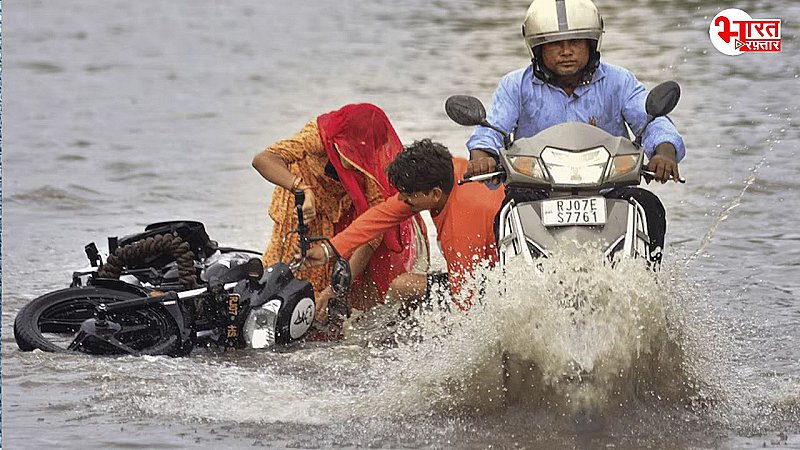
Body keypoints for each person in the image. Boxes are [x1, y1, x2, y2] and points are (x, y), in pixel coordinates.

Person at [465, 0, 686, 262]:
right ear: (537, 48)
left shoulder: (619, 81)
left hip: (607, 189)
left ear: (592, 45)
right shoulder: (515, 85)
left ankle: (648, 287)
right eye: (555, 44)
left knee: (649, 207)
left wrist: (664, 153)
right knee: (507, 211)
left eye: (575, 43)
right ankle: (510, 282)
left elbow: (652, 121)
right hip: (537, 190)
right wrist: (481, 155)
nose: (566, 51)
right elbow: (492, 128)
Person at [252, 104, 428, 321]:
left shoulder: (369, 161)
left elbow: (373, 231)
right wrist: (302, 189)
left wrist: (336, 290)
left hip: (345, 210)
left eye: (364, 151)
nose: (359, 156)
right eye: (354, 149)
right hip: (301, 204)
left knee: (337, 283)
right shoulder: (317, 136)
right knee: (288, 269)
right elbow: (263, 159)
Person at [301, 139, 505, 311]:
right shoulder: (455, 170)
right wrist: (329, 249)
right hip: (491, 261)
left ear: (434, 194)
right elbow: (380, 216)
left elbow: (466, 298)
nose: (403, 201)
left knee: (403, 286)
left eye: (408, 197)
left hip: (493, 283)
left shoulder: (459, 231)